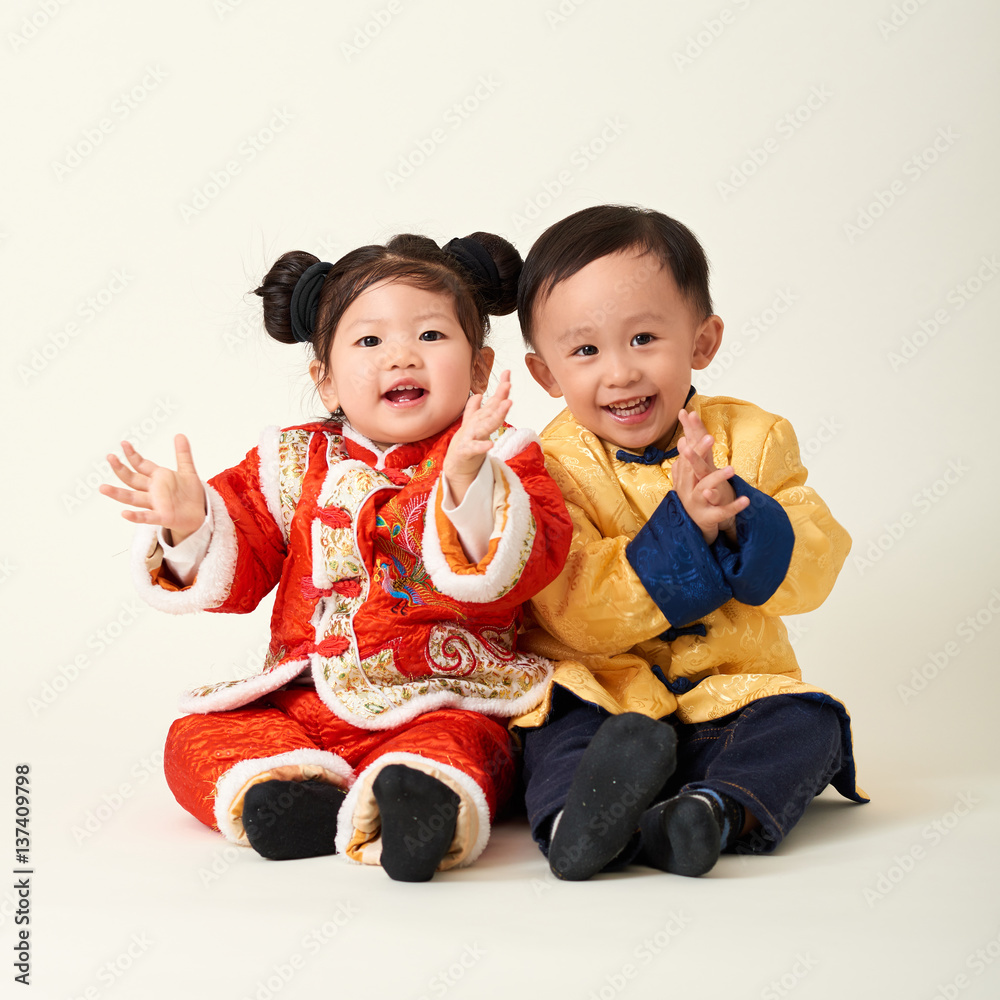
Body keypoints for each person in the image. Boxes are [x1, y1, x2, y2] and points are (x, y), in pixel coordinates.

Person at [101, 231, 571, 881]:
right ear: (325, 381)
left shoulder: (502, 457)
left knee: (473, 746)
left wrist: (468, 483)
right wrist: (190, 525)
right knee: (195, 735)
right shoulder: (289, 463)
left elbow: (528, 562)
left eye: (431, 337)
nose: (402, 356)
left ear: (481, 370)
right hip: (302, 702)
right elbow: (240, 568)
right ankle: (287, 793)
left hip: (441, 696)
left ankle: (418, 803)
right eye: (370, 341)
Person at [512, 204, 867, 880]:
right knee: (553, 726)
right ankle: (576, 824)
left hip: (727, 695)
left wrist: (737, 514)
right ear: (546, 374)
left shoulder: (753, 440)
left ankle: (708, 813)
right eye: (585, 350)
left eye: (644, 338)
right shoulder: (548, 469)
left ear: (702, 341)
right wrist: (682, 530)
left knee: (809, 723)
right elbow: (578, 612)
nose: (618, 373)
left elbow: (818, 563)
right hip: (608, 694)